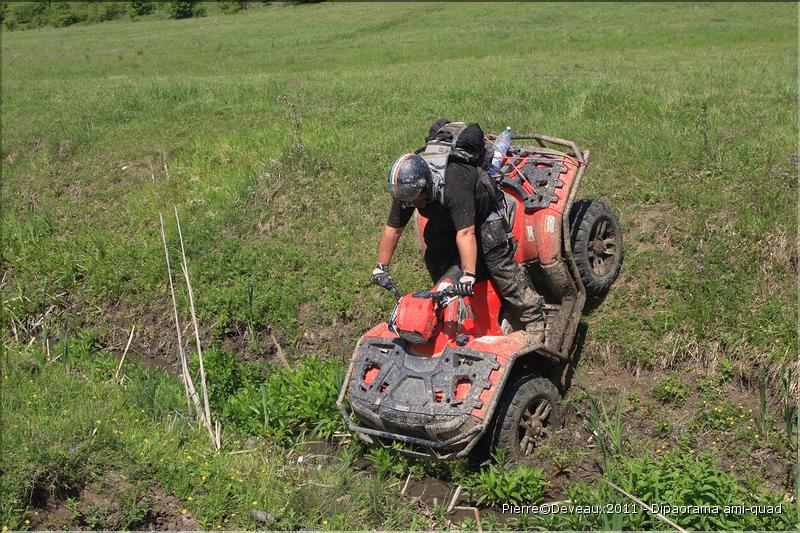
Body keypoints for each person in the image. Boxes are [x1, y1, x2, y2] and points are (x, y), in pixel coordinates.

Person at [371, 121, 546, 343]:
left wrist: (468, 276)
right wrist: (381, 267)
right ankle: (448, 303)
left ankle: (533, 318)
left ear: (424, 187)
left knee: (499, 264)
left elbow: (466, 233)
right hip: (443, 218)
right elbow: (393, 229)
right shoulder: (406, 191)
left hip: (482, 215)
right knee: (435, 259)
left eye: (412, 199)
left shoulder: (454, 183)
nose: (406, 204)